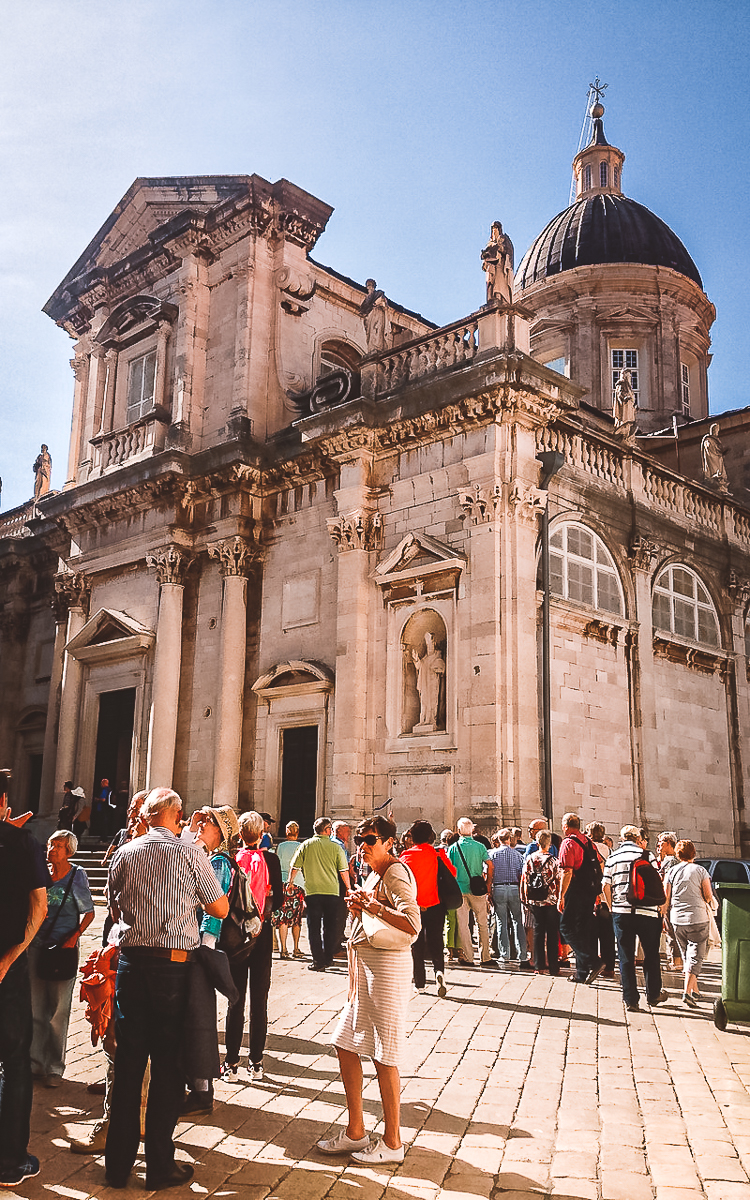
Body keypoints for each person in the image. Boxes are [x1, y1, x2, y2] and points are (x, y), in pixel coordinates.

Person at [104, 787, 228, 1191]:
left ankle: (117, 1165)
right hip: (172, 968)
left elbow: (114, 908)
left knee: (128, 1065)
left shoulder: (124, 852)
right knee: (168, 1068)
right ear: (174, 815)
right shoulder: (190, 853)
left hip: (131, 964)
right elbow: (221, 908)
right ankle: (159, 1164)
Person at [317, 815, 420, 1164]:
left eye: (370, 840)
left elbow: (412, 923)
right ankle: (356, 1131)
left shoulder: (395, 872)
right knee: (345, 1043)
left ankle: (393, 1143)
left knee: (384, 1053)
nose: (362, 846)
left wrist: (372, 906)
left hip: (387, 969)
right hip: (366, 968)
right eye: (360, 840)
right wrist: (360, 907)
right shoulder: (375, 873)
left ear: (389, 842)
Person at [0, 799, 48, 1189]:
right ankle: (10, 1161)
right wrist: (12, 957)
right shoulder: (22, 843)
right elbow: (39, 905)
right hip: (5, 968)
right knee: (15, 1061)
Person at [183, 805, 239, 1113]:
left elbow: (214, 909)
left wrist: (205, 945)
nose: (201, 823)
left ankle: (202, 1090)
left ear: (218, 831)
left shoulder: (216, 861)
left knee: (199, 1020)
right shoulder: (202, 854)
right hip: (194, 946)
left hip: (200, 948)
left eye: (208, 821)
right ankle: (196, 1084)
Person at [28, 830, 94, 1086]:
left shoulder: (77, 876)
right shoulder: (40, 872)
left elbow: (88, 913)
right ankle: (35, 1063)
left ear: (69, 851)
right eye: (50, 845)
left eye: (57, 846)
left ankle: (54, 1067)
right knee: (35, 1007)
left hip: (63, 949)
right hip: (36, 945)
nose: (51, 850)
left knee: (58, 1009)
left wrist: (74, 936)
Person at [222, 811, 283, 1083]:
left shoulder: (232, 860)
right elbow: (278, 900)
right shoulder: (271, 859)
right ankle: (256, 1062)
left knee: (235, 1001)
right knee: (260, 1001)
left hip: (235, 936)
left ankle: (231, 1064)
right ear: (262, 833)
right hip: (262, 934)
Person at [602, 825, 666, 1013]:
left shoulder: (613, 857)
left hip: (622, 911)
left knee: (625, 955)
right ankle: (653, 994)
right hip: (647, 911)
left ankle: (631, 999)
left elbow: (605, 885)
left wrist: (611, 907)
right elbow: (658, 881)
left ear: (621, 839)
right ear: (638, 839)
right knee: (651, 954)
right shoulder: (648, 856)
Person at [400, 820, 455, 996]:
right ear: (431, 837)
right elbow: (452, 873)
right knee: (436, 941)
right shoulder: (438, 854)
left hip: (414, 906)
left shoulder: (406, 856)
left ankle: (420, 983)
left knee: (417, 945)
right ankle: (439, 971)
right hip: (435, 904)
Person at [288, 817, 350, 971]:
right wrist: (348, 887)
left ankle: (318, 961)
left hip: (313, 891)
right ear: (327, 829)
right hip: (332, 892)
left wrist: (290, 882)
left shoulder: (306, 845)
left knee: (313, 927)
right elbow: (343, 870)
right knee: (330, 926)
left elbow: (294, 866)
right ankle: (328, 958)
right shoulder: (336, 847)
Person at [663, 840, 713, 1007]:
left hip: (677, 919)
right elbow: (708, 895)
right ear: (694, 852)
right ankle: (686, 992)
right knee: (696, 956)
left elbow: (666, 896)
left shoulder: (671, 871)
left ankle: (695, 991)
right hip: (698, 918)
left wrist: (664, 915)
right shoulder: (700, 870)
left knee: (687, 956)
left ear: (678, 854)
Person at [557, 813, 603, 984]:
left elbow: (567, 871)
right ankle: (581, 972)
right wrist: (597, 892)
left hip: (575, 890)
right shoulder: (588, 841)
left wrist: (561, 895)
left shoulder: (568, 842)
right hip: (589, 891)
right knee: (581, 930)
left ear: (566, 826)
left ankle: (593, 961)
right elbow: (599, 865)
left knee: (566, 928)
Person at [447, 817, 496, 968]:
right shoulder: (480, 846)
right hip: (478, 890)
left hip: (460, 890)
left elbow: (449, 869)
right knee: (482, 923)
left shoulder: (454, 847)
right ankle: (485, 956)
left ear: (459, 830)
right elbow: (490, 865)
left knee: (463, 925)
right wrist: (488, 883)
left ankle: (468, 957)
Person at [489, 828, 532, 969]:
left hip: (499, 887)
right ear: (509, 839)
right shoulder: (517, 855)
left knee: (501, 921)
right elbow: (522, 876)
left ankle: (504, 954)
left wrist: (489, 891)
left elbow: (488, 873)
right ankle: (522, 955)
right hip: (514, 888)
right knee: (517, 922)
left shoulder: (492, 854)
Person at [520, 830, 561, 974]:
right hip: (551, 900)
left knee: (538, 932)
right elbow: (558, 879)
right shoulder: (554, 860)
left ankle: (539, 966)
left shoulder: (530, 858)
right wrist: (560, 896)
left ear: (537, 843)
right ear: (549, 844)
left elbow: (524, 878)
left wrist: (524, 896)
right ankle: (554, 967)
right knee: (551, 933)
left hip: (535, 899)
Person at [586, 821, 616, 979]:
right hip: (608, 898)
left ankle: (594, 965)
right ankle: (609, 967)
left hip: (593, 896)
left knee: (591, 933)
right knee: (607, 934)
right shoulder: (611, 851)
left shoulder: (589, 850)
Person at [272, 821, 305, 958]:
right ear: (297, 832)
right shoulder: (301, 846)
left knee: (283, 918)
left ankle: (283, 949)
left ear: (286, 832)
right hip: (298, 883)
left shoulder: (280, 846)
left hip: (283, 883)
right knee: (297, 918)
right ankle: (296, 948)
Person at [656, 831, 683, 971]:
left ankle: (676, 961)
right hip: (676, 900)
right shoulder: (677, 860)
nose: (658, 846)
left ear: (668, 843)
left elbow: (665, 882)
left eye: (661, 843)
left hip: (669, 900)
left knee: (671, 931)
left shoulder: (670, 861)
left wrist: (664, 903)